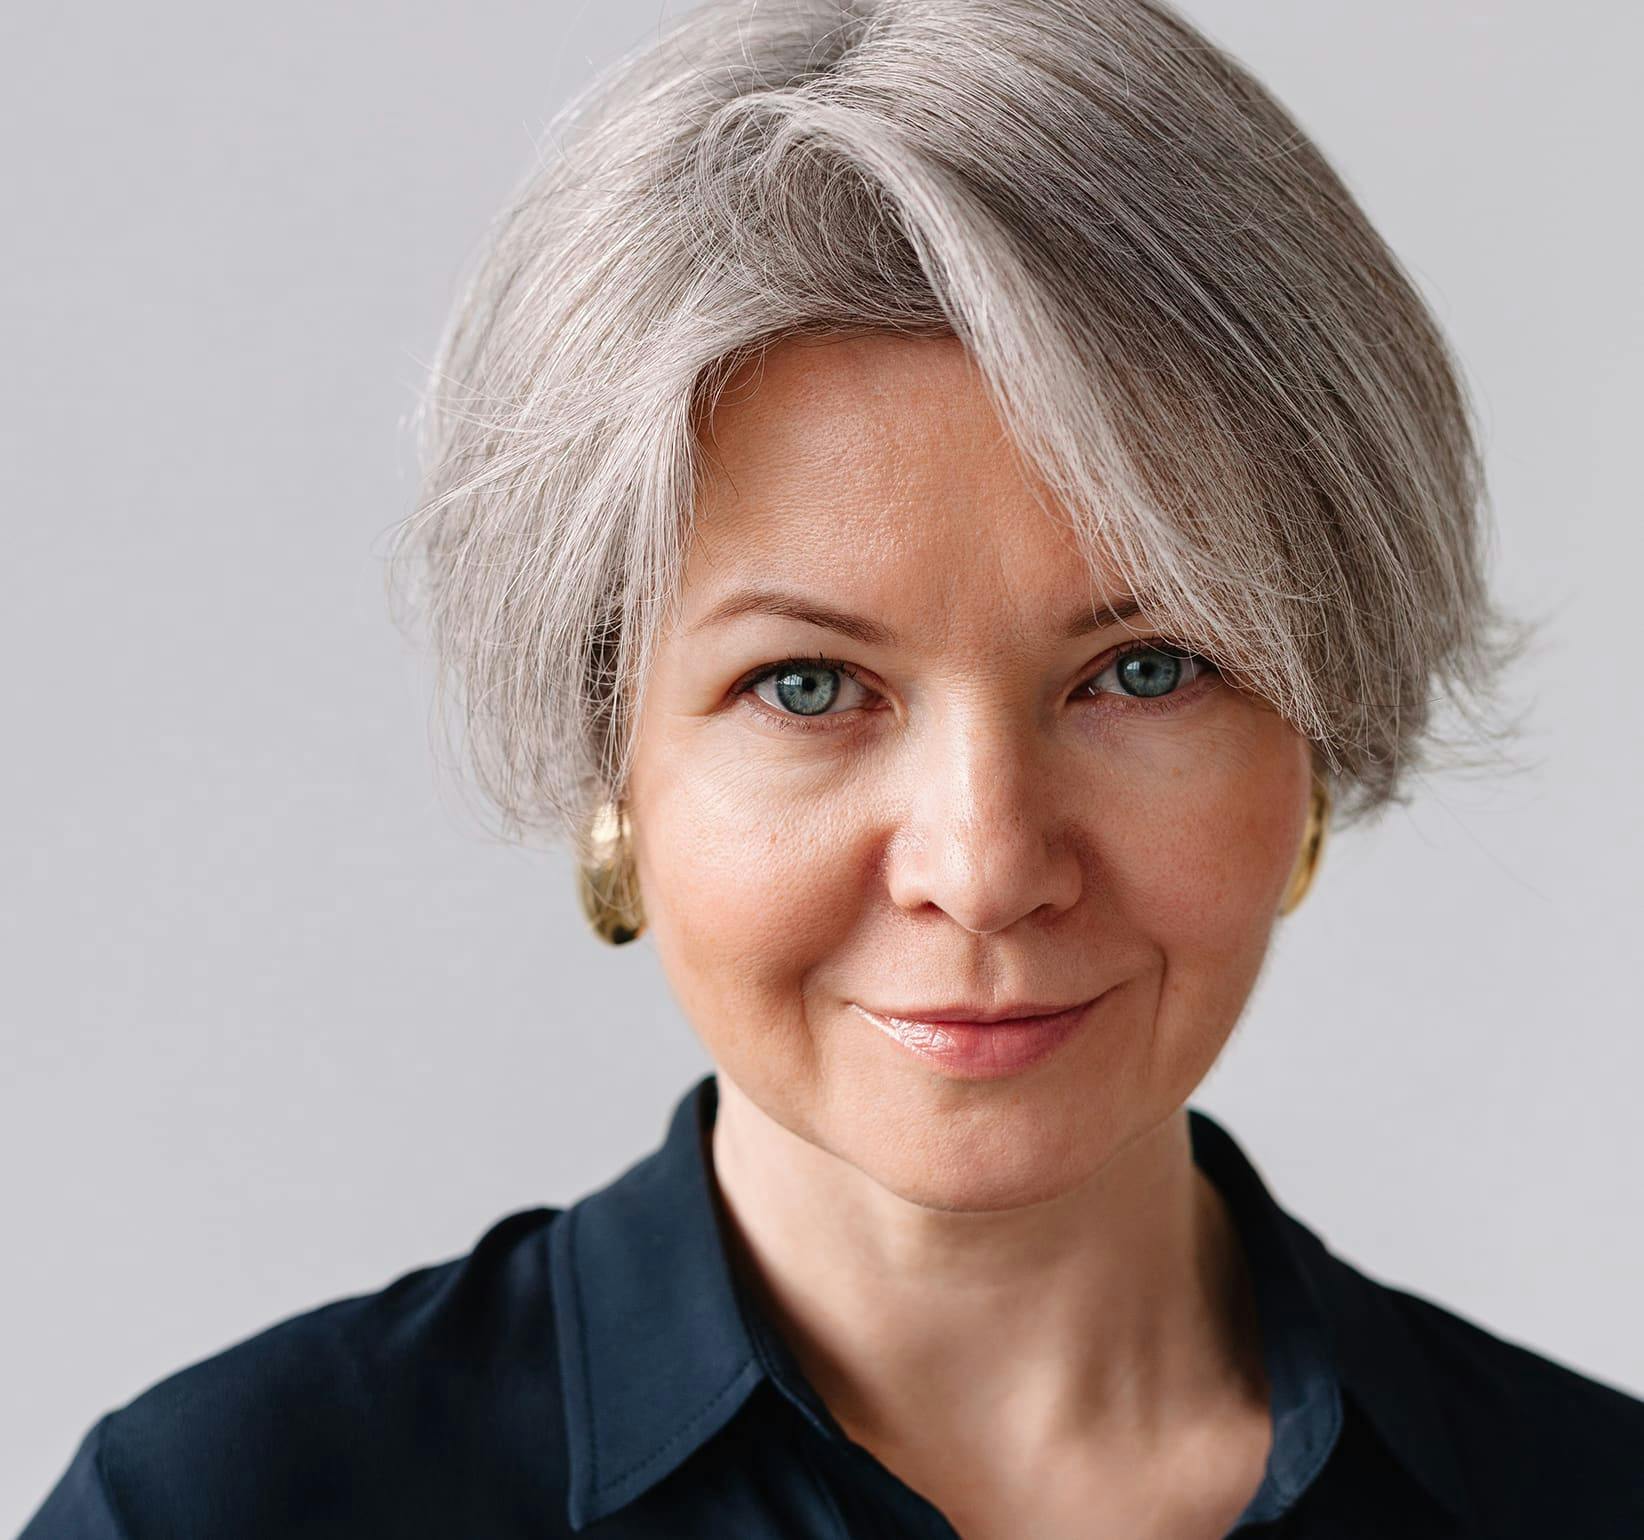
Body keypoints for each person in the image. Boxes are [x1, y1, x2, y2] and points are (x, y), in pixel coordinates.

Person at [20, 0, 1643, 1536]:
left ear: (1318, 722)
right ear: (613, 762)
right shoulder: (221, 1509)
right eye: (809, 684)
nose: (987, 862)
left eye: (1146, 669)